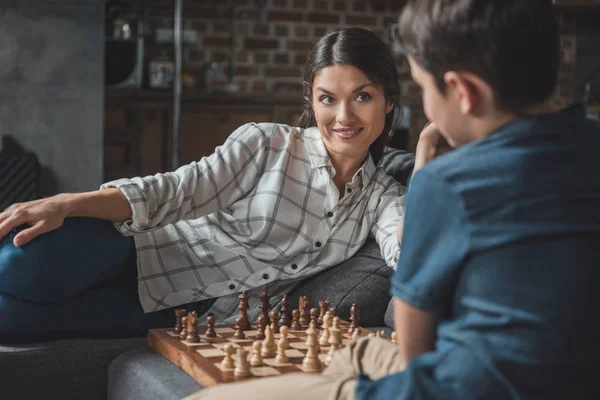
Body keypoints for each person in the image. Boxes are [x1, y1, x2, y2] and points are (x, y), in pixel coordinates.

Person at [184, 0, 600, 399]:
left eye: (423, 87)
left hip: (462, 385)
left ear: (462, 92)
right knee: (356, 351)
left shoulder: (449, 183)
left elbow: (415, 352)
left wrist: (428, 170)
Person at [0, 27, 406, 344]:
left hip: (182, 316)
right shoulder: (267, 143)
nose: (344, 116)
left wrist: (424, 154)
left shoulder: (384, 196)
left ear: (388, 102)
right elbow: (178, 190)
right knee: (17, 267)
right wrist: (66, 203)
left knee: (9, 319)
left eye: (363, 96)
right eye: (327, 99)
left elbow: (406, 252)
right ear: (312, 102)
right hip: (142, 250)